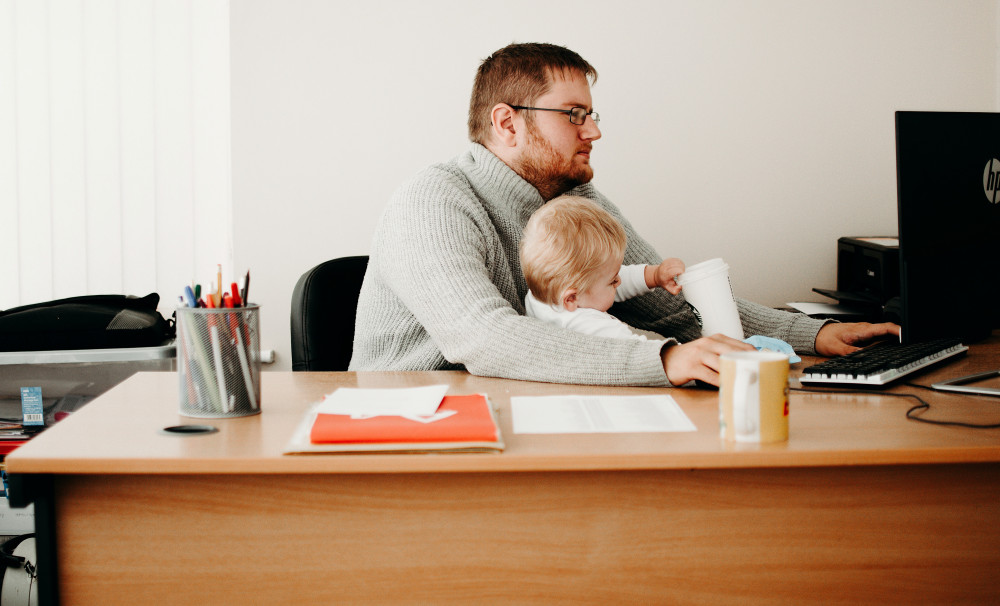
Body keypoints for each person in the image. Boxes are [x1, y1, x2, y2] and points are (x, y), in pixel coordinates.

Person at [349, 42, 899, 386]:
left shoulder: (577, 202)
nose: (594, 131)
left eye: (591, 114)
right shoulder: (433, 201)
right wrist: (662, 363)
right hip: (415, 435)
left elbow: (671, 308)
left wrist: (815, 335)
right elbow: (484, 339)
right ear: (507, 123)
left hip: (526, 408)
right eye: (574, 115)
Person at [520, 194, 683, 343]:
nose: (619, 281)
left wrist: (654, 276)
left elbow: (599, 284)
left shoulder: (542, 295)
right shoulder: (594, 328)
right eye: (613, 281)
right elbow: (641, 354)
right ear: (571, 299)